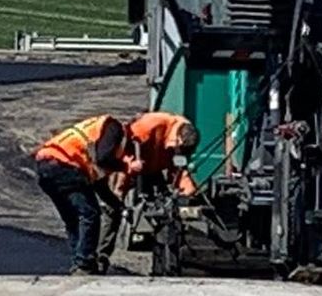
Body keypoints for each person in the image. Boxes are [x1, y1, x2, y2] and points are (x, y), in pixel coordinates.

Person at [33, 114, 131, 275]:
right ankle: (84, 263)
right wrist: (125, 166)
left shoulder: (95, 136)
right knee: (90, 214)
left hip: (45, 165)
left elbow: (100, 185)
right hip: (63, 166)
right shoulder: (114, 128)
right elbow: (104, 158)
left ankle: (80, 263)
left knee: (72, 219)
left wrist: (118, 206)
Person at [102, 111, 200, 271]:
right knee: (112, 211)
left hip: (154, 170)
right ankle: (100, 259)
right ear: (178, 139)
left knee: (167, 212)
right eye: (179, 148)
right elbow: (124, 150)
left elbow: (179, 169)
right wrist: (120, 188)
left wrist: (188, 195)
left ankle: (164, 263)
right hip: (130, 167)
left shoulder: (185, 138)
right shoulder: (149, 125)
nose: (179, 151)